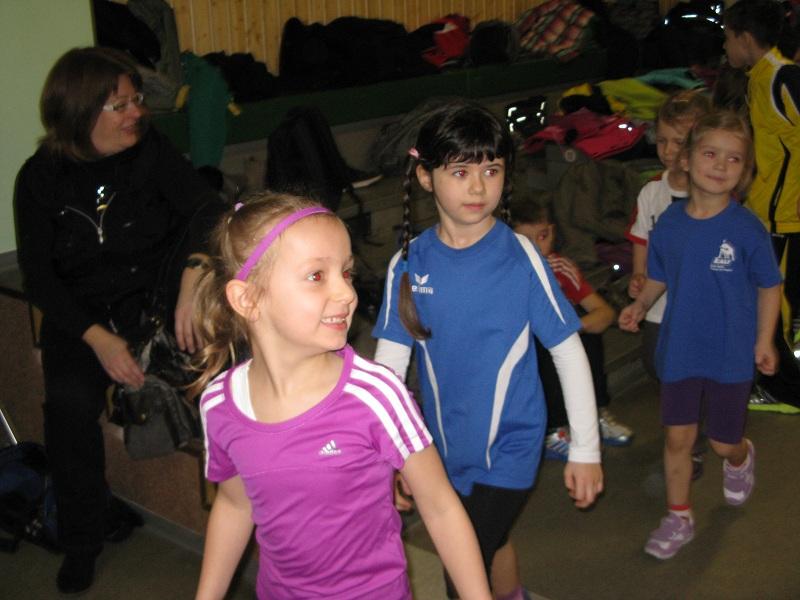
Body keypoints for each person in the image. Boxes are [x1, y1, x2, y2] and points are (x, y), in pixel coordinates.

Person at [191, 193, 491, 600]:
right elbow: (234, 504)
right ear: (248, 299)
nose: (347, 293)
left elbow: (440, 507)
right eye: (317, 276)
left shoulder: (375, 395)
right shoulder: (220, 406)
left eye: (346, 273)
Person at [372, 101, 603, 600]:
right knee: (491, 541)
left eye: (491, 170)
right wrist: (387, 458)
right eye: (460, 172)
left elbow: (568, 351)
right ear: (426, 176)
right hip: (441, 446)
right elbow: (387, 371)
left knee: (464, 562)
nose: (478, 188)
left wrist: (586, 449)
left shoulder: (520, 257)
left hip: (510, 447)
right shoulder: (408, 263)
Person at [13, 47, 224, 594]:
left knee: (225, 375)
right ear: (81, 111)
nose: (137, 112)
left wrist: (193, 275)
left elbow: (207, 207)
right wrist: (98, 339)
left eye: (136, 100)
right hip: (81, 319)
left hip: (154, 305)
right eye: (121, 105)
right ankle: (81, 540)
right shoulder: (39, 179)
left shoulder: (149, 151)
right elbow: (40, 279)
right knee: (69, 406)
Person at [618, 111, 782, 560]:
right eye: (710, 153)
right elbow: (659, 275)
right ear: (687, 160)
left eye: (734, 159)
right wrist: (640, 305)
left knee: (722, 442)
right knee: (678, 440)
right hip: (680, 350)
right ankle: (679, 516)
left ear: (744, 172)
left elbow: (769, 284)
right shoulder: (670, 224)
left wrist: (764, 340)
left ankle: (741, 457)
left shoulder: (747, 228)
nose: (720, 165)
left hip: (731, 353)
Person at [626, 90, 712, 477]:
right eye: (662, 140)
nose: (668, 150)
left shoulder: (710, 192)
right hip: (658, 306)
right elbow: (642, 238)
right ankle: (684, 423)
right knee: (657, 364)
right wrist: (638, 276)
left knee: (690, 374)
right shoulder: (652, 192)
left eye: (679, 141)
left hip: (699, 308)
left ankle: (690, 442)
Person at [512, 200, 632, 460]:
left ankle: (595, 413)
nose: (537, 247)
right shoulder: (508, 272)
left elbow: (604, 313)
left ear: (553, 232)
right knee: (545, 346)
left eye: (543, 236)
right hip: (523, 349)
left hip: (554, 342)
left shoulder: (560, 267)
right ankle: (554, 430)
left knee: (586, 338)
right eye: (525, 241)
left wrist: (571, 329)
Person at [724, 0, 800, 409]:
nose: (724, 47)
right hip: (766, 213)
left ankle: (784, 389)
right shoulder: (759, 78)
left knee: (777, 307)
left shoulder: (783, 77)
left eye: (727, 38)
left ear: (745, 38)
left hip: (784, 217)